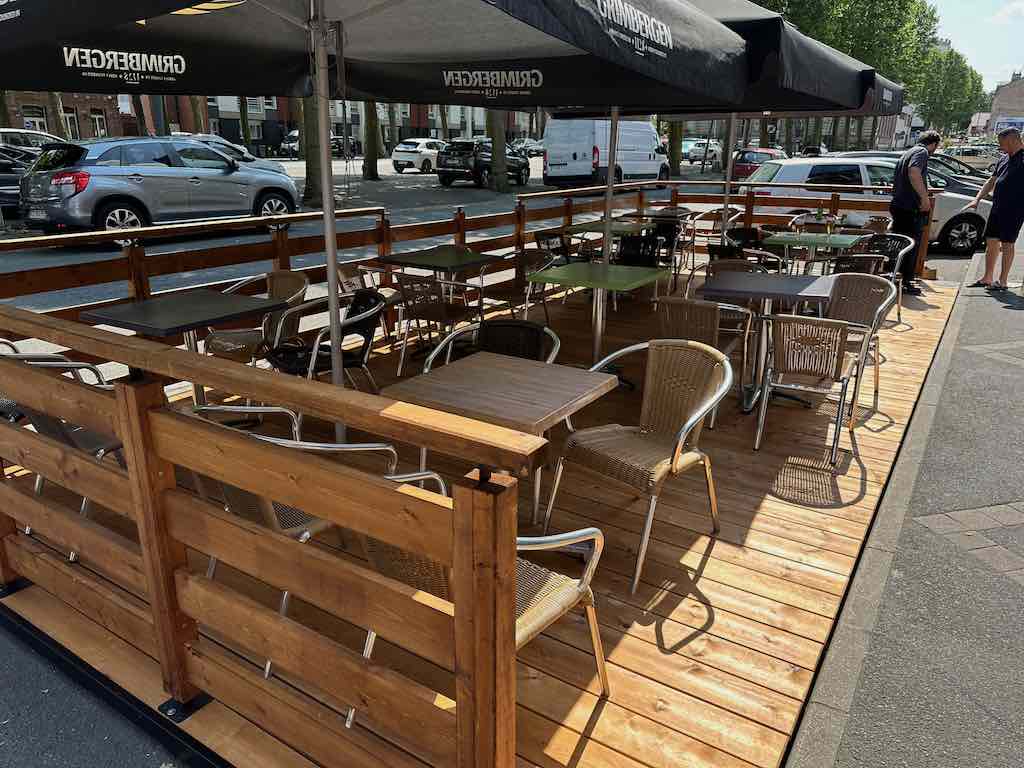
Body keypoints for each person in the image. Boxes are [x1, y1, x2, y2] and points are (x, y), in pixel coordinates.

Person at [966, 127, 1024, 290]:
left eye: (1002, 143)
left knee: (1007, 243)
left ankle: (1003, 280)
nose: (1000, 146)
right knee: (991, 240)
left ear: (1013, 140)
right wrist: (977, 199)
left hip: (1015, 209)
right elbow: (991, 181)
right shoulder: (1004, 159)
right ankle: (987, 277)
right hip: (997, 207)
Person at [889, 130, 941, 296]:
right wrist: (925, 198)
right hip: (909, 207)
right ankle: (906, 282)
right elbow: (914, 172)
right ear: (933, 144)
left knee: (900, 244)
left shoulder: (909, 151)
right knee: (911, 245)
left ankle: (896, 278)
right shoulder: (922, 152)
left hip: (898, 204)